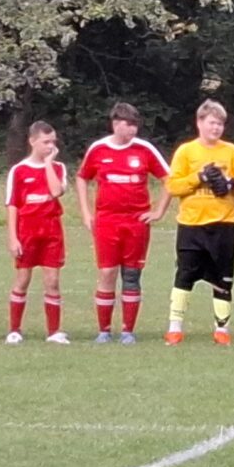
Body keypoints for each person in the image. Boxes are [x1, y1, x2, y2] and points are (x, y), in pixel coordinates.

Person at [79, 103, 169, 343]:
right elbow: (82, 178)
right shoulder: (99, 149)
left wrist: (158, 211)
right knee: (107, 272)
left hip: (136, 222)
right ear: (116, 124)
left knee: (131, 274)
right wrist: (86, 212)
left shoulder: (144, 149)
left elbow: (169, 179)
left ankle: (128, 330)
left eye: (135, 125)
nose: (133, 130)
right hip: (107, 221)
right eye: (129, 125)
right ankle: (104, 330)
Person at [167, 100, 234, 344]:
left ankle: (222, 329)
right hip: (191, 225)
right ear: (199, 122)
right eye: (212, 123)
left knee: (223, 278)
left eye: (221, 124)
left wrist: (231, 183)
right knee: (184, 275)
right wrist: (199, 177)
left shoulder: (231, 151)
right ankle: (174, 327)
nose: (217, 128)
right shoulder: (186, 151)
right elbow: (173, 186)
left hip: (224, 224)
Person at [4, 120, 72, 345]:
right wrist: (13, 237)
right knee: (22, 279)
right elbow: (12, 205)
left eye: (53, 142)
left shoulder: (58, 168)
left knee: (52, 281)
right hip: (27, 232)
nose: (51, 146)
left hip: (52, 232)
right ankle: (14, 330)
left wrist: (48, 163)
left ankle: (53, 332)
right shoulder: (19, 170)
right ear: (32, 141)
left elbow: (56, 191)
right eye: (46, 142)